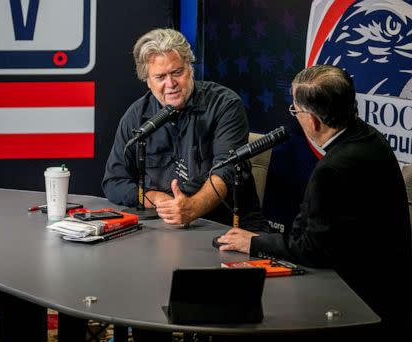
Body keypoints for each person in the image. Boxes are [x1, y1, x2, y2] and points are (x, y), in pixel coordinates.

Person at [217, 65, 412, 335]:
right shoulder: (370, 138)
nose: (294, 117)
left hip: (357, 301)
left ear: (314, 121)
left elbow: (311, 249)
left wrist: (253, 242)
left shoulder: (332, 169)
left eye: (295, 111)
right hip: (390, 292)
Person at [102, 28, 263, 227]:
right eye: (160, 77)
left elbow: (226, 172)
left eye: (177, 72)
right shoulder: (136, 116)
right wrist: (157, 199)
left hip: (222, 226)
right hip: (163, 227)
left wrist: (192, 208)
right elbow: (114, 181)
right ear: (148, 82)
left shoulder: (225, 105)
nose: (171, 84)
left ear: (190, 68)